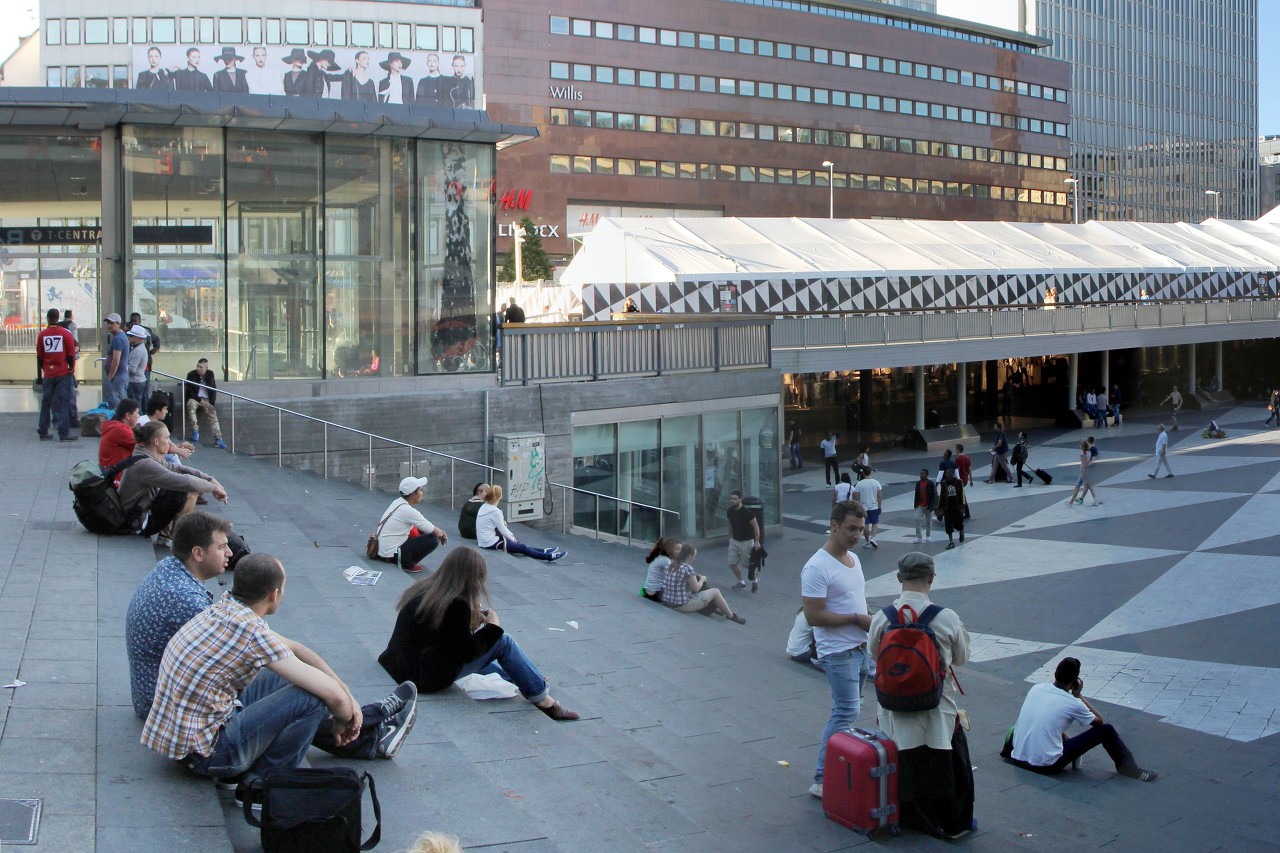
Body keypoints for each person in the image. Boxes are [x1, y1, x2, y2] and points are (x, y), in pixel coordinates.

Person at [142, 554, 421, 797]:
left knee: (299, 680)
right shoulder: (251, 632)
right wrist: (350, 713)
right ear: (274, 594)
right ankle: (261, 785)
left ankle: (371, 738)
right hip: (207, 754)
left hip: (187, 738)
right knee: (312, 697)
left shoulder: (228, 608)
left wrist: (345, 693)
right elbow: (329, 694)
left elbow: (297, 650)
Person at [377, 546, 579, 720]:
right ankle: (543, 699)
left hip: (398, 664)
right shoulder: (457, 603)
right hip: (425, 676)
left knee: (491, 650)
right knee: (503, 642)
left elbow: (447, 640)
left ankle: (523, 677)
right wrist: (493, 627)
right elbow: (467, 653)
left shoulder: (425, 589)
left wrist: (470, 622)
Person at [869, 552, 974, 840]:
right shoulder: (946, 617)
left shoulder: (882, 617)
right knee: (943, 757)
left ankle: (907, 815)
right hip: (936, 707)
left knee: (903, 757)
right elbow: (962, 658)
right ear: (931, 577)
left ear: (899, 577)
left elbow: (874, 654)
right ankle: (948, 822)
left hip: (893, 707)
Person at [125, 512, 234, 719]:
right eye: (221, 547)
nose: (229, 552)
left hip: (148, 695)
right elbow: (229, 659)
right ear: (198, 553)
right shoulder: (187, 600)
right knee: (295, 696)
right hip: (167, 709)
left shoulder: (168, 567)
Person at [802, 500, 872, 800]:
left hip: (859, 650)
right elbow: (813, 616)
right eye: (851, 529)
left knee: (849, 711)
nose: (857, 535)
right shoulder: (817, 567)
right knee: (846, 711)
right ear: (834, 525)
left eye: (860, 529)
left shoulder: (853, 560)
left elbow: (858, 600)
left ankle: (836, 768)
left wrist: (869, 624)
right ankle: (821, 777)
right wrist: (857, 619)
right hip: (838, 652)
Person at [1003, 656, 1156, 782]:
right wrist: (1079, 696)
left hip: (1018, 756)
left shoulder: (1036, 688)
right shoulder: (1072, 703)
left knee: (1043, 725)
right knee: (1107, 730)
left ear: (1055, 674)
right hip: (1046, 765)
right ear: (1075, 680)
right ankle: (1130, 769)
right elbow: (1099, 721)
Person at [118, 421, 228, 545]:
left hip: (137, 514)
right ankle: (177, 541)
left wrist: (210, 479)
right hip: (135, 523)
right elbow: (185, 480)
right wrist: (214, 488)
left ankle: (166, 535)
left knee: (177, 487)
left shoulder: (144, 455)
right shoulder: (145, 464)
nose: (170, 442)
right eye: (167, 437)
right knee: (190, 490)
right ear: (156, 441)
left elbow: (179, 469)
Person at [374, 477, 450, 574]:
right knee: (433, 539)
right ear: (413, 493)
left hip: (383, 551)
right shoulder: (408, 511)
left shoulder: (397, 502)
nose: (422, 493)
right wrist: (443, 534)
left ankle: (405, 560)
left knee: (420, 529)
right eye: (420, 490)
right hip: (391, 555)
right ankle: (407, 564)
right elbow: (435, 531)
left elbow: (425, 526)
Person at [476, 485, 566, 561]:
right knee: (521, 548)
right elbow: (503, 530)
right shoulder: (495, 511)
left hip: (484, 540)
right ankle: (548, 556)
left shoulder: (484, 506)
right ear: (499, 497)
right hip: (490, 542)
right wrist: (513, 538)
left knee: (520, 546)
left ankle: (543, 551)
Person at [662, 544, 745, 623]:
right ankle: (731, 615)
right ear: (689, 556)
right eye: (694, 556)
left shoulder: (670, 564)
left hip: (668, 601)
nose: (694, 558)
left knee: (700, 585)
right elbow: (696, 588)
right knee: (715, 591)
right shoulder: (687, 568)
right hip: (680, 606)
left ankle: (713, 606)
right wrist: (702, 579)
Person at [36, 308, 77, 442]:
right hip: (63, 373)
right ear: (58, 317)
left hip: (48, 373)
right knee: (64, 401)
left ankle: (43, 430)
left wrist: (45, 368)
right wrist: (71, 369)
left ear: (48, 318)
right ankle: (63, 432)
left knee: (46, 401)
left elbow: (40, 356)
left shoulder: (42, 335)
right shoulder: (65, 334)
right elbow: (71, 355)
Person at [184, 358, 227, 448]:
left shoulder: (210, 374)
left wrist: (211, 404)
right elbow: (190, 393)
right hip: (195, 398)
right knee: (190, 404)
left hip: (207, 400)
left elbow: (213, 389)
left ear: (206, 368)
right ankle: (195, 430)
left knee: (212, 413)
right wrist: (201, 401)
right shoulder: (191, 375)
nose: (198, 368)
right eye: (197, 366)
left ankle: (218, 438)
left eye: (201, 367)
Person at [725, 490, 761, 591]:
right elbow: (730, 525)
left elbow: (755, 526)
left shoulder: (747, 512)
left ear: (740, 499)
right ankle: (741, 581)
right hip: (734, 540)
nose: (732, 501)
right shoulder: (730, 511)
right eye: (731, 499)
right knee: (732, 562)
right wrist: (730, 538)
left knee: (749, 565)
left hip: (747, 542)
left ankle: (755, 580)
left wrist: (757, 541)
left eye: (735, 499)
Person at [99, 398, 141, 472]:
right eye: (137, 413)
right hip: (117, 476)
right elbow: (145, 445)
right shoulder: (120, 430)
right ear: (128, 415)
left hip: (111, 470)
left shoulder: (115, 426)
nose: (139, 416)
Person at [128, 311, 160, 405]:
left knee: (143, 395)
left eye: (136, 321)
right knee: (134, 398)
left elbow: (156, 339)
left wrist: (155, 348)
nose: (134, 323)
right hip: (134, 366)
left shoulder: (146, 332)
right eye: (132, 322)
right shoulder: (129, 332)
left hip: (144, 367)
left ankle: (144, 415)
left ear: (140, 321)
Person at [101, 312, 130, 408]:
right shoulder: (119, 337)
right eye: (108, 323)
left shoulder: (119, 339)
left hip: (117, 377)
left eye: (112, 323)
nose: (109, 325)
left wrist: (109, 377)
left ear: (118, 324)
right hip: (119, 376)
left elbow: (116, 360)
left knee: (115, 405)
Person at [642, 537, 678, 602]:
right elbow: (674, 577)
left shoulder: (659, 557)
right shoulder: (665, 560)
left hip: (648, 590)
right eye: (677, 549)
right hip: (654, 593)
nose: (679, 552)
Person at [854, 469, 882, 549]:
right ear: (871, 472)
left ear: (863, 473)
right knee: (875, 523)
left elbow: (857, 497)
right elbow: (879, 496)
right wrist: (879, 506)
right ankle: (873, 537)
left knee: (865, 524)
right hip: (874, 506)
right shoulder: (876, 483)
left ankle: (867, 542)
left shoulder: (859, 484)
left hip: (863, 507)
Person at [1066, 440, 1101, 507]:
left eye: (1080, 445)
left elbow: (1084, 465)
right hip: (1088, 472)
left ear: (1082, 446)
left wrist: (1082, 474)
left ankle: (1071, 502)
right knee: (1089, 486)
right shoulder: (1089, 452)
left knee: (1077, 486)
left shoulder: (1083, 454)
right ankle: (1093, 500)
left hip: (1084, 472)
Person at [939, 468, 965, 549]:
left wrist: (963, 507)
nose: (947, 474)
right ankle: (951, 542)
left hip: (957, 506)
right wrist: (940, 508)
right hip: (948, 506)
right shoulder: (943, 483)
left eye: (949, 472)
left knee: (958, 524)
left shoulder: (958, 482)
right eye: (946, 472)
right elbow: (942, 496)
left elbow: (962, 494)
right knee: (948, 524)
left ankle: (961, 531)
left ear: (953, 473)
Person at [125, 325, 149, 405]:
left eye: (131, 336)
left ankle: (141, 418)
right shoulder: (139, 348)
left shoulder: (138, 351)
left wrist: (121, 367)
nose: (129, 337)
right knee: (136, 406)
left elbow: (132, 369)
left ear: (138, 338)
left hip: (135, 382)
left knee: (135, 407)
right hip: (137, 381)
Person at [912, 468, 937, 543]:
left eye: (923, 474)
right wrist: (915, 504)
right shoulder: (918, 483)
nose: (921, 475)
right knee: (917, 519)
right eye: (920, 474)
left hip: (928, 505)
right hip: (920, 505)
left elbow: (934, 495)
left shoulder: (930, 483)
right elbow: (916, 494)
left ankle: (928, 535)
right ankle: (918, 536)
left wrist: (932, 506)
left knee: (929, 521)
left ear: (926, 475)